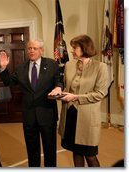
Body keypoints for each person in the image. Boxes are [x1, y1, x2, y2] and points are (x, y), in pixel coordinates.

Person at [0, 39, 63, 167]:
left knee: (50, 150)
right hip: (29, 116)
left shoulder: (52, 64)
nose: (31, 50)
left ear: (41, 50)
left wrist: (59, 87)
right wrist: (3, 67)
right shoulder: (21, 67)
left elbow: (59, 80)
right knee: (32, 150)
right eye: (29, 48)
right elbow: (9, 82)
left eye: (34, 48)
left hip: (47, 114)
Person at [58, 35, 108, 167]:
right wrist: (58, 90)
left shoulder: (100, 67)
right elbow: (65, 85)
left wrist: (75, 97)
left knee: (90, 155)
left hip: (87, 117)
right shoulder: (69, 65)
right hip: (70, 114)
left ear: (84, 48)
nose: (72, 51)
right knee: (76, 152)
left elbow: (100, 94)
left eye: (75, 48)